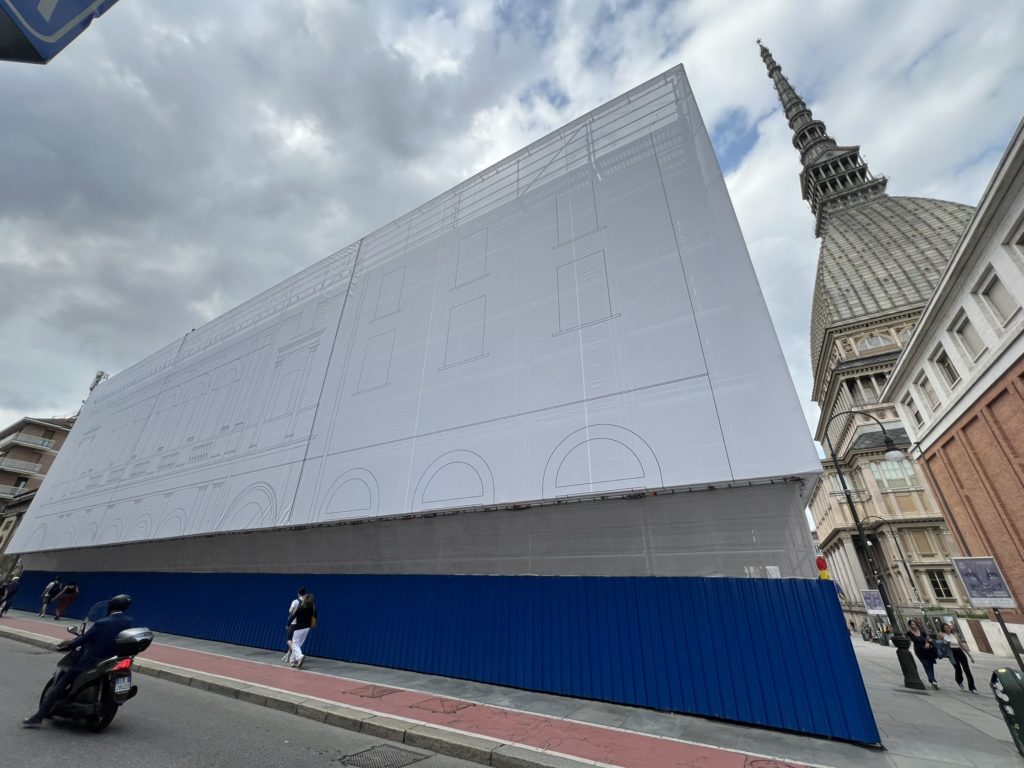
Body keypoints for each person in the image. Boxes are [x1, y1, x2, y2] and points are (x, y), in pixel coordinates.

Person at [23, 594, 134, 727]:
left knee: (61, 684)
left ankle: (38, 717)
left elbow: (84, 639)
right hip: (114, 659)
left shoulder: (102, 623)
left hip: (91, 661)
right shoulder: (128, 621)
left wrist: (69, 644)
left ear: (111, 605)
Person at [940, 622, 978, 693]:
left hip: (960, 652)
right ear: (943, 629)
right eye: (945, 628)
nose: (947, 629)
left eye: (948, 628)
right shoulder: (942, 635)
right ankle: (959, 680)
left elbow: (961, 645)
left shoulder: (955, 635)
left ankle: (972, 688)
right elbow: (939, 644)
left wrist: (970, 656)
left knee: (967, 671)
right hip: (952, 654)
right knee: (958, 669)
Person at [907, 619, 940, 689]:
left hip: (927, 649)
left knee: (930, 664)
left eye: (914, 624)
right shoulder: (909, 633)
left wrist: (928, 643)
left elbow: (928, 639)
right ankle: (932, 680)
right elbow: (907, 640)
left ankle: (932, 680)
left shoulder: (922, 632)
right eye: (911, 624)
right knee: (926, 664)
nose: (913, 625)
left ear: (916, 624)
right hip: (919, 651)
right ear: (909, 626)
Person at [289, 593, 317, 670]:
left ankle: (300, 656)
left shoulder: (300, 607)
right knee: (298, 645)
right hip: (307, 628)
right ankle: (293, 661)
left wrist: (288, 624)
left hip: (298, 628)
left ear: (304, 599)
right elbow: (315, 617)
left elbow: (293, 616)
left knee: (294, 644)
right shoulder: (313, 608)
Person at [282, 587, 307, 664]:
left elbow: (290, 611)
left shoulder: (296, 601)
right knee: (295, 642)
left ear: (298, 593)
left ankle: (298, 655)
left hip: (293, 623)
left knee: (289, 640)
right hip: (302, 625)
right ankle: (290, 657)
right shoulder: (307, 602)